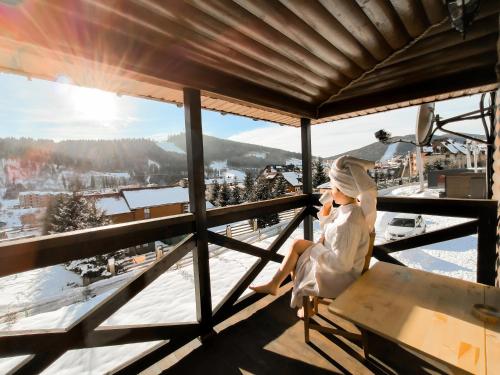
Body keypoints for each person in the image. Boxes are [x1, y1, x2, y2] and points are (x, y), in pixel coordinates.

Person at [250, 156, 377, 311]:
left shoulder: (349, 222)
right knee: (297, 244)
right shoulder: (351, 209)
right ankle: (274, 284)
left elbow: (342, 265)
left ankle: (305, 304)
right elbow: (333, 230)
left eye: (333, 188)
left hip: (339, 278)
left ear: (344, 190)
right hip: (332, 256)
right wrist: (325, 210)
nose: (330, 191)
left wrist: (316, 250)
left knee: (296, 263)